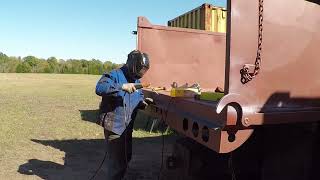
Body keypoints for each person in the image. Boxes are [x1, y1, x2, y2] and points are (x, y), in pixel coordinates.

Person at [95, 50, 152, 180]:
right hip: (114, 126)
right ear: (132, 64)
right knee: (117, 162)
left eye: (143, 70)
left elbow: (138, 97)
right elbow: (99, 88)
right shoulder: (114, 75)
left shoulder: (136, 79)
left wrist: (143, 103)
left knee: (126, 156)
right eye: (140, 69)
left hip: (127, 126)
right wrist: (122, 86)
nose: (141, 73)